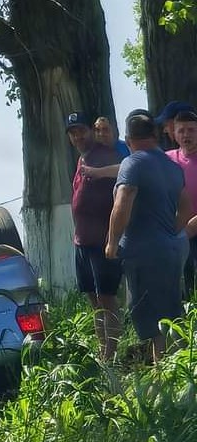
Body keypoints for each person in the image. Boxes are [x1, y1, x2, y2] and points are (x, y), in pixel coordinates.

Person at [106, 110, 192, 363]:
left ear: (128, 139)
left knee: (150, 318)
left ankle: (163, 372)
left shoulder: (132, 163)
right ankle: (175, 370)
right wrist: (170, 230)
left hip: (143, 252)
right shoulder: (173, 167)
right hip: (170, 250)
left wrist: (112, 242)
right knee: (170, 312)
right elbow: (186, 206)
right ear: (155, 135)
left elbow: (124, 199)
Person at [65, 111, 123, 360]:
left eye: (81, 130)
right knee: (92, 299)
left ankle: (112, 354)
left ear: (91, 130)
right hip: (82, 241)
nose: (77, 136)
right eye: (72, 133)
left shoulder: (106, 154)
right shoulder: (82, 159)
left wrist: (113, 235)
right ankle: (102, 352)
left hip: (102, 240)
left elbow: (126, 174)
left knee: (106, 298)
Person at [167, 109, 197, 296]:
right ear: (174, 133)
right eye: (181, 130)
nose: (186, 135)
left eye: (191, 130)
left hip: (191, 229)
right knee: (184, 288)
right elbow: (133, 167)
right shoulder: (166, 159)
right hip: (177, 231)